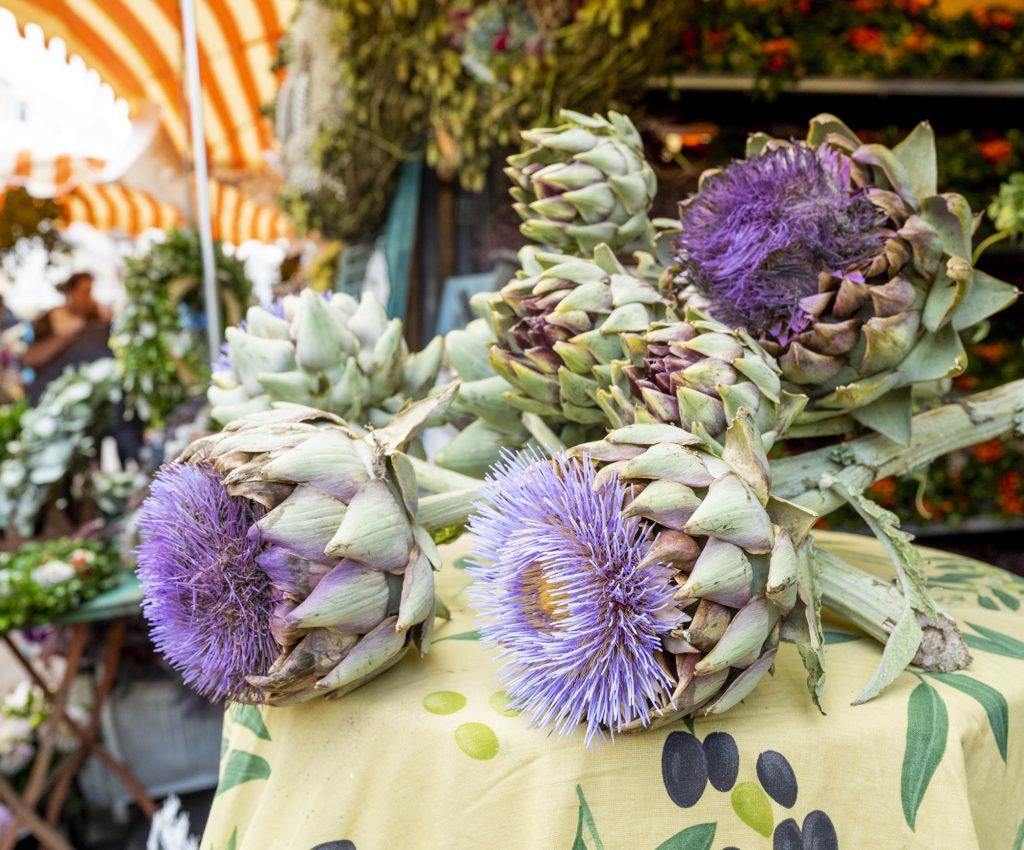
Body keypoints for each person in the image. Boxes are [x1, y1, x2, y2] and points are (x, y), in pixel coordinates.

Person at [23, 272, 113, 403]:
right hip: (53, 394)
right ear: (70, 292)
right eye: (86, 292)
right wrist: (68, 338)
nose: (90, 297)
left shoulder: (94, 319)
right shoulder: (47, 320)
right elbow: (30, 358)